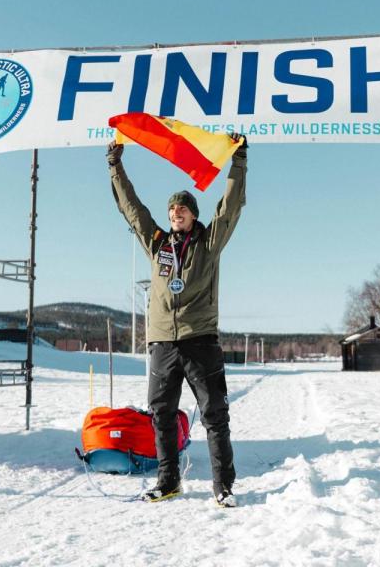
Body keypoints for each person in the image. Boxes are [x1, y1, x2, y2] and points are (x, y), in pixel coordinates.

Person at [106, 134, 247, 508]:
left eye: (181, 210)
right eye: (171, 212)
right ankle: (168, 481)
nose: (175, 215)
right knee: (161, 414)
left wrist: (239, 161)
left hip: (200, 340)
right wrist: (115, 166)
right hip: (163, 343)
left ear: (194, 214)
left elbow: (231, 206)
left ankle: (224, 487)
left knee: (215, 416)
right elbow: (132, 209)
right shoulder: (157, 244)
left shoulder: (209, 242)